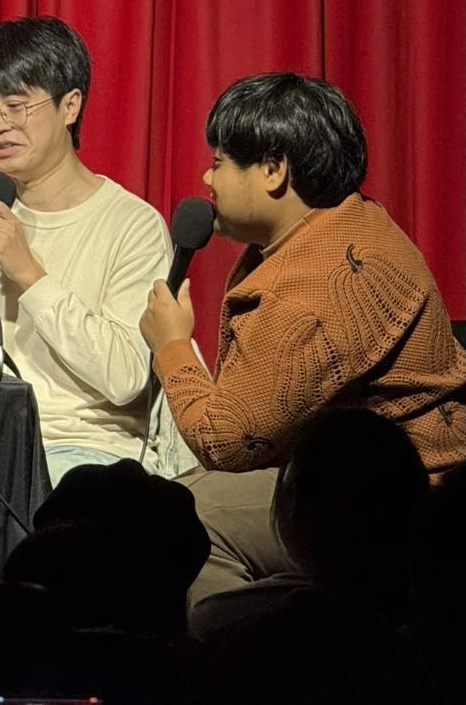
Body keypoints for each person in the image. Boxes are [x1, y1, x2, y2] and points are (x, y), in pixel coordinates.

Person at [140, 72, 466, 601]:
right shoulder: (349, 221)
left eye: (220, 162)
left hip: (402, 496)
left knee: (181, 516)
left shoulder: (315, 289)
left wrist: (172, 345)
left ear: (273, 170)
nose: (206, 177)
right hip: (355, 476)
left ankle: (237, 645)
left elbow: (225, 442)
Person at [0, 16, 170, 483]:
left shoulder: (133, 225)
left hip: (85, 450)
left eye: (16, 106)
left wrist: (30, 274)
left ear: (70, 105)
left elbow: (125, 377)